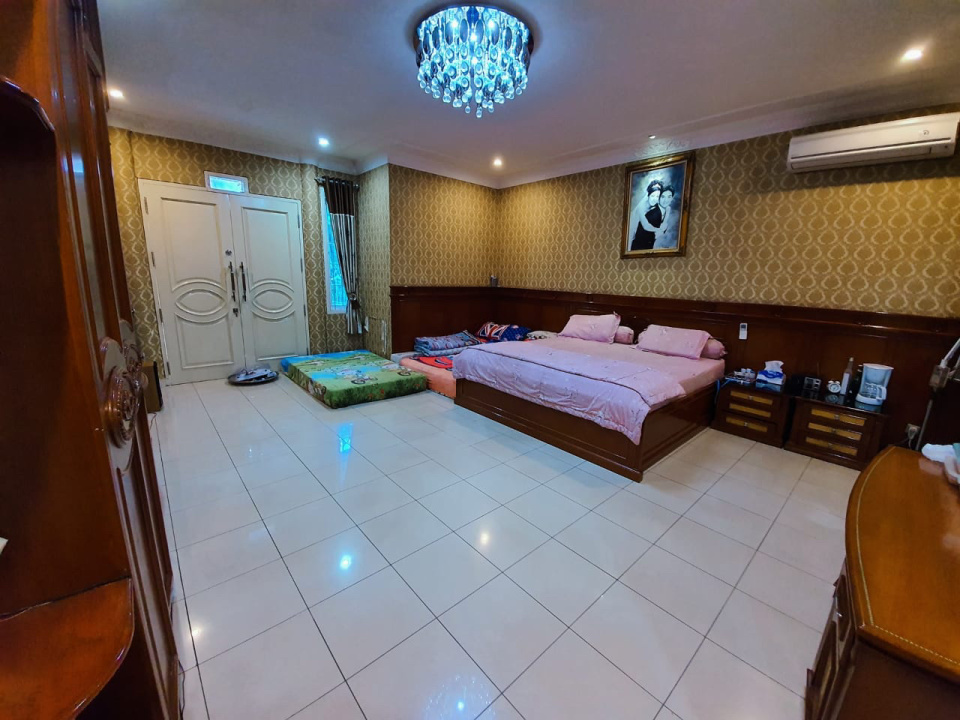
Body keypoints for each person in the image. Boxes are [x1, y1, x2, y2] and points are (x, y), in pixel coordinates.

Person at [630, 179, 664, 251]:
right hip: (637, 243)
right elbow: (646, 226)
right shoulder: (641, 207)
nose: (654, 199)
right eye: (653, 195)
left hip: (648, 244)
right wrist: (659, 229)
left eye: (657, 196)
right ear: (649, 194)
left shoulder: (658, 211)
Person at [653, 185, 678, 249]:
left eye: (669, 197)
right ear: (659, 198)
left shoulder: (672, 213)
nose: (666, 200)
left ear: (672, 198)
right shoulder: (652, 213)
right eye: (663, 197)